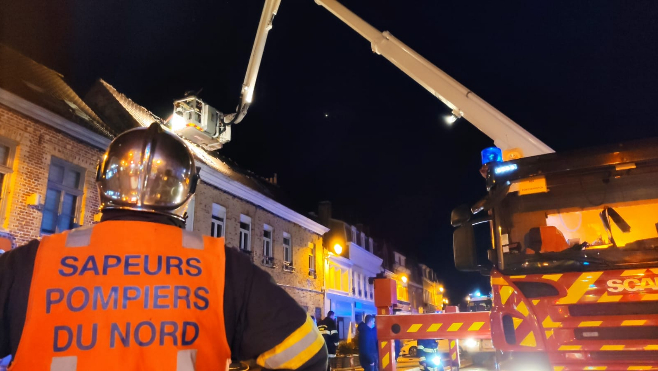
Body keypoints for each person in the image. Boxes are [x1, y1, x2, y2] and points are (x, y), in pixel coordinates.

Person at [0, 123, 328, 371]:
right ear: (186, 194)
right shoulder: (222, 268)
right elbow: (308, 352)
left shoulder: (32, 261)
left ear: (102, 183)